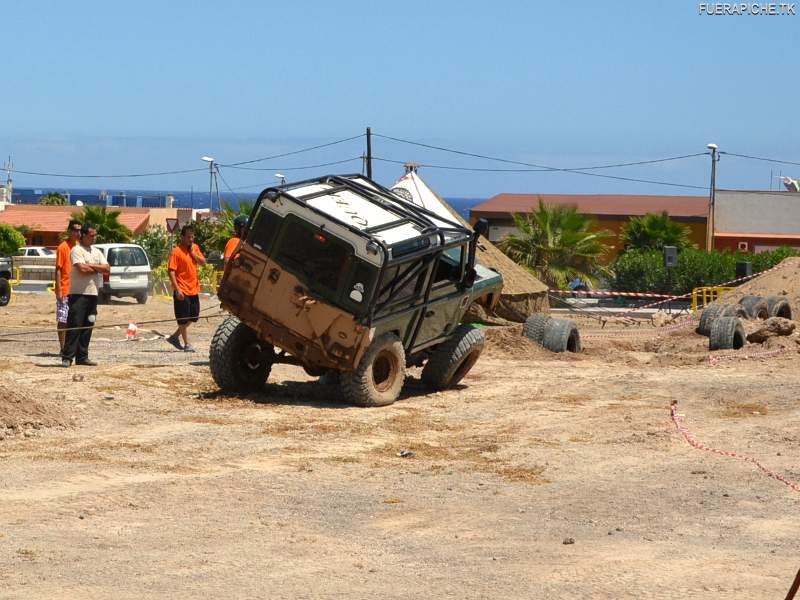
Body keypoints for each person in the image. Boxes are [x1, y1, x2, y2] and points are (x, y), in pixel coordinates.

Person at [61, 224, 109, 368]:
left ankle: (82, 356)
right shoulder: (76, 250)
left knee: (88, 325)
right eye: (91, 235)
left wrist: (92, 266)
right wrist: (97, 268)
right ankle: (67, 357)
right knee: (74, 325)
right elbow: (81, 269)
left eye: (95, 235)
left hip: (93, 294)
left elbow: (107, 268)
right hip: (78, 294)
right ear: (83, 235)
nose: (94, 238)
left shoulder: (97, 251)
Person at [166, 224, 206, 352]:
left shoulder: (195, 248)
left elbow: (203, 263)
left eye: (192, 236)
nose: (191, 239)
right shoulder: (176, 251)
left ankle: (174, 337)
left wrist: (193, 253)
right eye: (188, 237)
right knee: (183, 319)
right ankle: (187, 344)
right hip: (182, 289)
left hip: (194, 289)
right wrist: (177, 289)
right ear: (182, 237)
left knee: (193, 317)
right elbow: (171, 271)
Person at [55, 219, 82, 352]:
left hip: (77, 289)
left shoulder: (79, 247)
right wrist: (58, 290)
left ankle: (71, 347)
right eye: (75, 230)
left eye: (79, 230)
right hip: (65, 289)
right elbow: (58, 269)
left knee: (75, 320)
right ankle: (62, 347)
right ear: (70, 231)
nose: (77, 233)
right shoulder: (62, 247)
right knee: (63, 320)